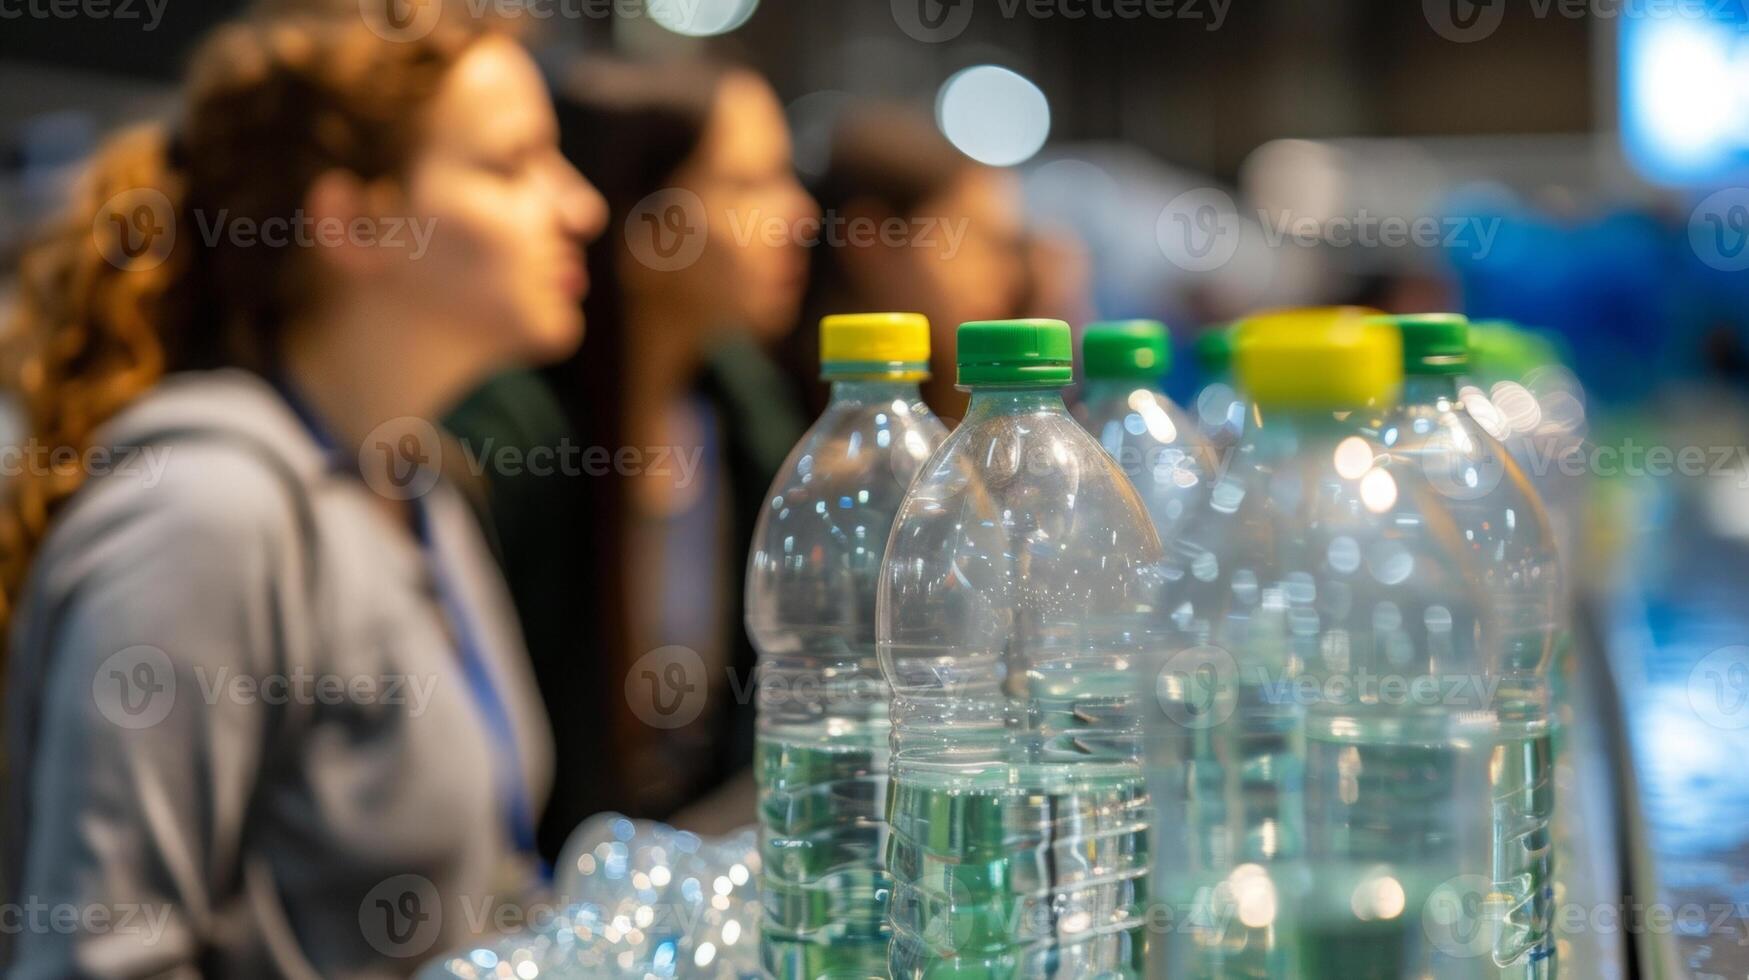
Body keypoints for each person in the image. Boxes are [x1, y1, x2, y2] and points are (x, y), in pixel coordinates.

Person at [0, 10, 605, 975]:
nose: (580, 206)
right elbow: (98, 959)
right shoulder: (204, 516)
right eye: (510, 165)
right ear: (356, 219)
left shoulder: (416, 487)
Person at [447, 58, 818, 844]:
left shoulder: (745, 413)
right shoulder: (508, 440)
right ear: (650, 229)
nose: (800, 214)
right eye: (751, 183)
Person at [799, 104, 1029, 419]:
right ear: (870, 238)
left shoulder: (942, 390)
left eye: (1010, 247)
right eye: (975, 242)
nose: (1009, 276)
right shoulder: (772, 411)